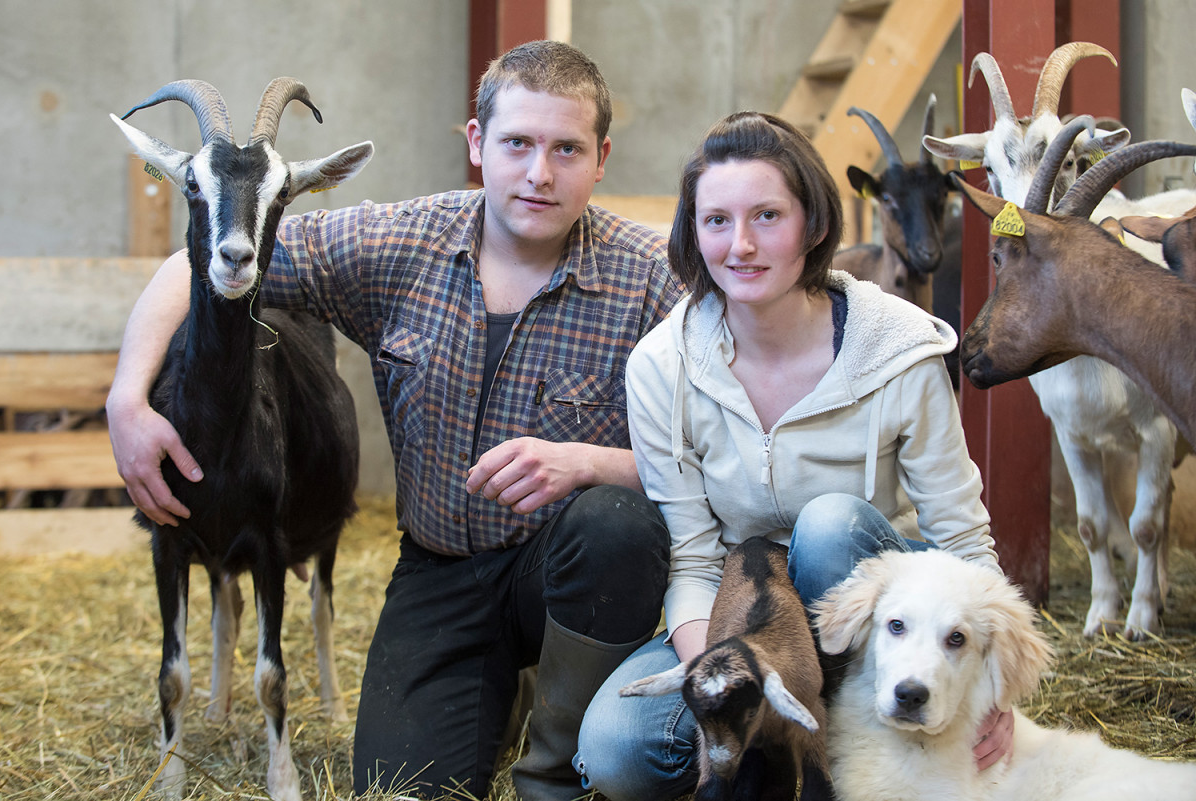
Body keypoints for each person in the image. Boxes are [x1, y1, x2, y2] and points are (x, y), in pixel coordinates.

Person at [105, 40, 683, 801]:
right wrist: (126, 400)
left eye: (566, 149)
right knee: (398, 782)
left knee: (616, 520)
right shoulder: (397, 241)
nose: (540, 173)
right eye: (517, 143)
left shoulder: (655, 277)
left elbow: (722, 451)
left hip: (567, 570)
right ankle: (494, 690)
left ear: (600, 157)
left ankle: (553, 756)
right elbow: (206, 258)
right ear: (477, 145)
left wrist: (591, 463)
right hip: (442, 573)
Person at [573, 111, 1009, 800]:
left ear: (813, 224)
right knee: (617, 751)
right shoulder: (662, 364)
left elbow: (960, 535)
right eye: (716, 220)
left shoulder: (900, 347)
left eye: (767, 216)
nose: (740, 245)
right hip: (744, 617)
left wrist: (995, 692)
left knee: (830, 523)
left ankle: (853, 726)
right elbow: (689, 558)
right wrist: (730, 678)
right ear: (693, 231)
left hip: (871, 623)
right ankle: (811, 742)